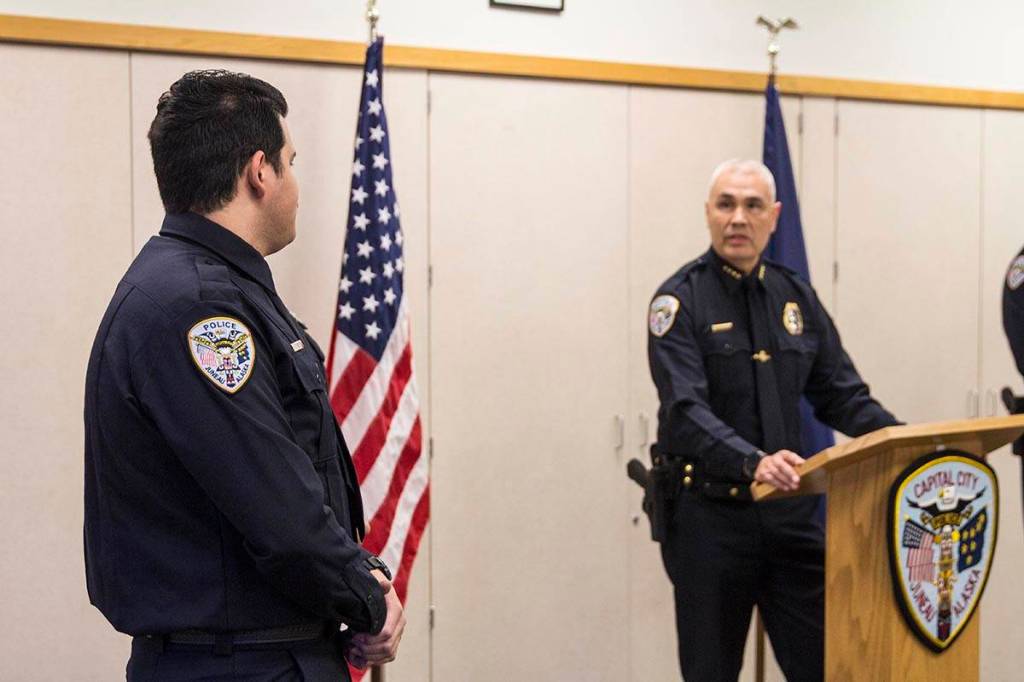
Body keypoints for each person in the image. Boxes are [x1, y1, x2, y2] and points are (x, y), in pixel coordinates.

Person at [84, 70, 404, 681]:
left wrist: (356, 579)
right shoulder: (199, 308)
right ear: (260, 172)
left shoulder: (208, 287)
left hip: (257, 653)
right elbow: (275, 504)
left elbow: (293, 479)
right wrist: (366, 595)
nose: (297, 185)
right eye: (291, 161)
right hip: (240, 665)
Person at [647, 159, 899, 681]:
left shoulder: (795, 296)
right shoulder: (679, 300)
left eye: (752, 205)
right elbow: (685, 410)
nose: (738, 218)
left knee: (828, 666)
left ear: (774, 216)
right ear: (708, 213)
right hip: (711, 520)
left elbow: (842, 396)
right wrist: (753, 462)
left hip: (789, 515)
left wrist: (905, 440)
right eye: (726, 204)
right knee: (711, 671)